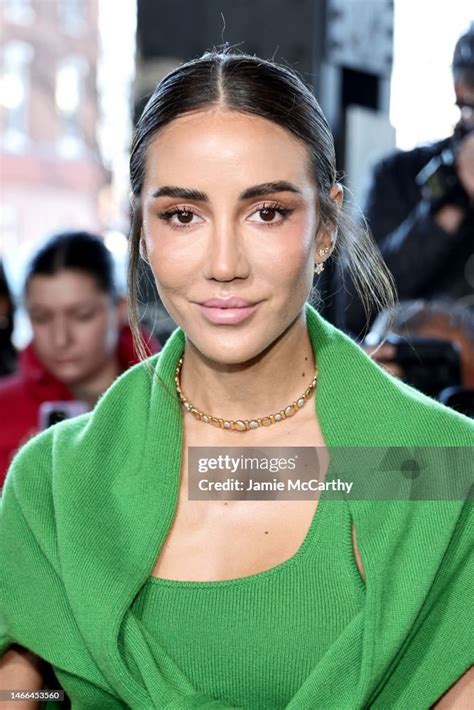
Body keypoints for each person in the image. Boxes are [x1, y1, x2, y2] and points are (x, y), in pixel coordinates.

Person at [0, 51, 473, 710]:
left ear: (326, 227)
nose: (224, 265)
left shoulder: (442, 470)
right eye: (183, 216)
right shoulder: (53, 488)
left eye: (268, 212)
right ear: (142, 231)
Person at [0, 230, 160, 488]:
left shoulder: (177, 395)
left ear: (120, 309)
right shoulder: (3, 412)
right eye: (41, 317)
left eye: (82, 315)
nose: (61, 338)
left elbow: (236, 492)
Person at [344, 24, 474, 340]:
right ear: (463, 91)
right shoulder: (399, 175)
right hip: (420, 376)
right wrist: (450, 207)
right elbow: (356, 305)